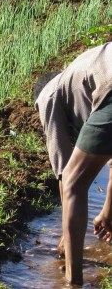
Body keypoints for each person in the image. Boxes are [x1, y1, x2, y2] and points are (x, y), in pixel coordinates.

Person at [34, 42, 112, 285]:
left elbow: (64, 173)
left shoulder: (49, 94)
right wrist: (108, 212)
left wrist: (67, 238)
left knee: (72, 181)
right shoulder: (80, 82)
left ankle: (72, 280)